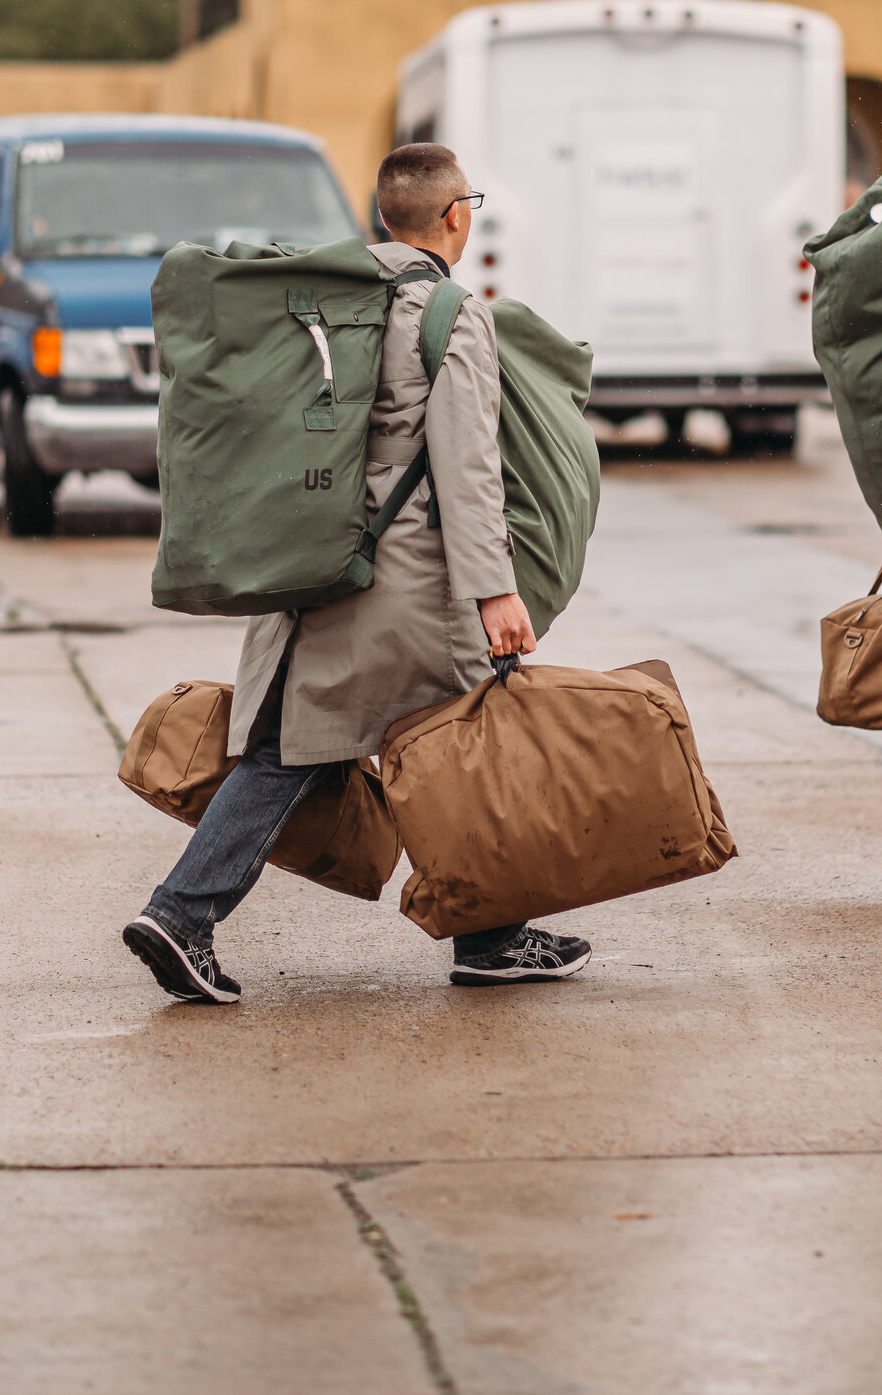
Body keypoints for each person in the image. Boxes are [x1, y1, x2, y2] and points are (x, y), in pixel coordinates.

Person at [124, 143, 593, 998]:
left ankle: (184, 913)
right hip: (411, 587)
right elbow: (467, 466)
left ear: (384, 217)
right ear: (455, 216)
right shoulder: (451, 312)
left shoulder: (325, 302)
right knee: (463, 754)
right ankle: (485, 940)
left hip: (314, 564)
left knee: (285, 752)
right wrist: (495, 591)